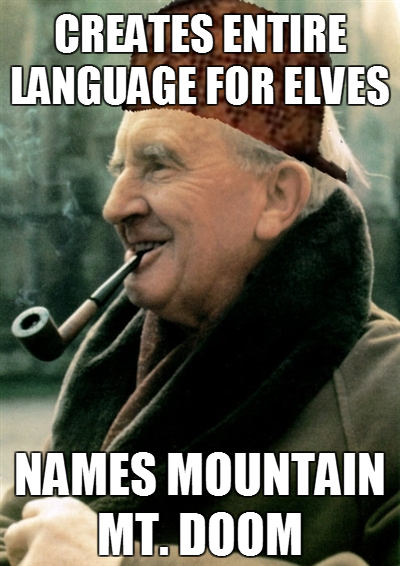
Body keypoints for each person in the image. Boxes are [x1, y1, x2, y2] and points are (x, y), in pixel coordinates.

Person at [1, 0, 399, 565]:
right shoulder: (118, 368)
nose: (114, 206)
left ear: (277, 197)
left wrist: (120, 561)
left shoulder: (387, 394)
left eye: (158, 164)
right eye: (119, 168)